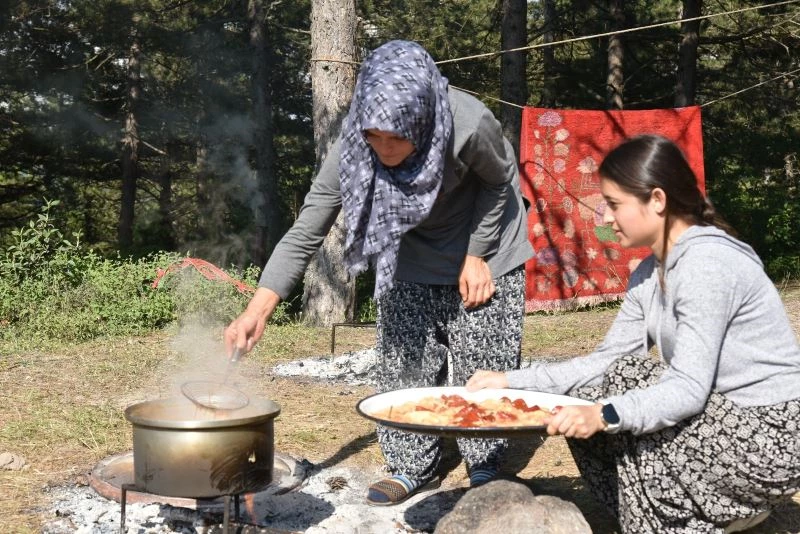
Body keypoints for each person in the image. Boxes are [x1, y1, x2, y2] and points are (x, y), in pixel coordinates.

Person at [224, 40, 533, 506]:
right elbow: (309, 227)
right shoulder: (354, 146)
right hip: (409, 253)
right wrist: (258, 310)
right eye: (375, 136)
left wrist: (477, 253)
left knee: (482, 366)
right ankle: (411, 465)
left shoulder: (467, 121)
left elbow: (498, 180)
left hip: (487, 245)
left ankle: (485, 464)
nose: (385, 149)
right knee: (404, 367)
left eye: (397, 137)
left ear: (424, 120)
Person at [467, 135, 800, 533]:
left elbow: (688, 388)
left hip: (768, 437)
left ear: (657, 200)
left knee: (624, 384)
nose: (604, 219)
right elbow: (601, 363)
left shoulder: (707, 263)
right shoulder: (649, 272)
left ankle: (705, 515)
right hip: (719, 423)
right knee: (584, 393)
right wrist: (509, 382)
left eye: (614, 204)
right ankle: (657, 520)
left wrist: (604, 414)